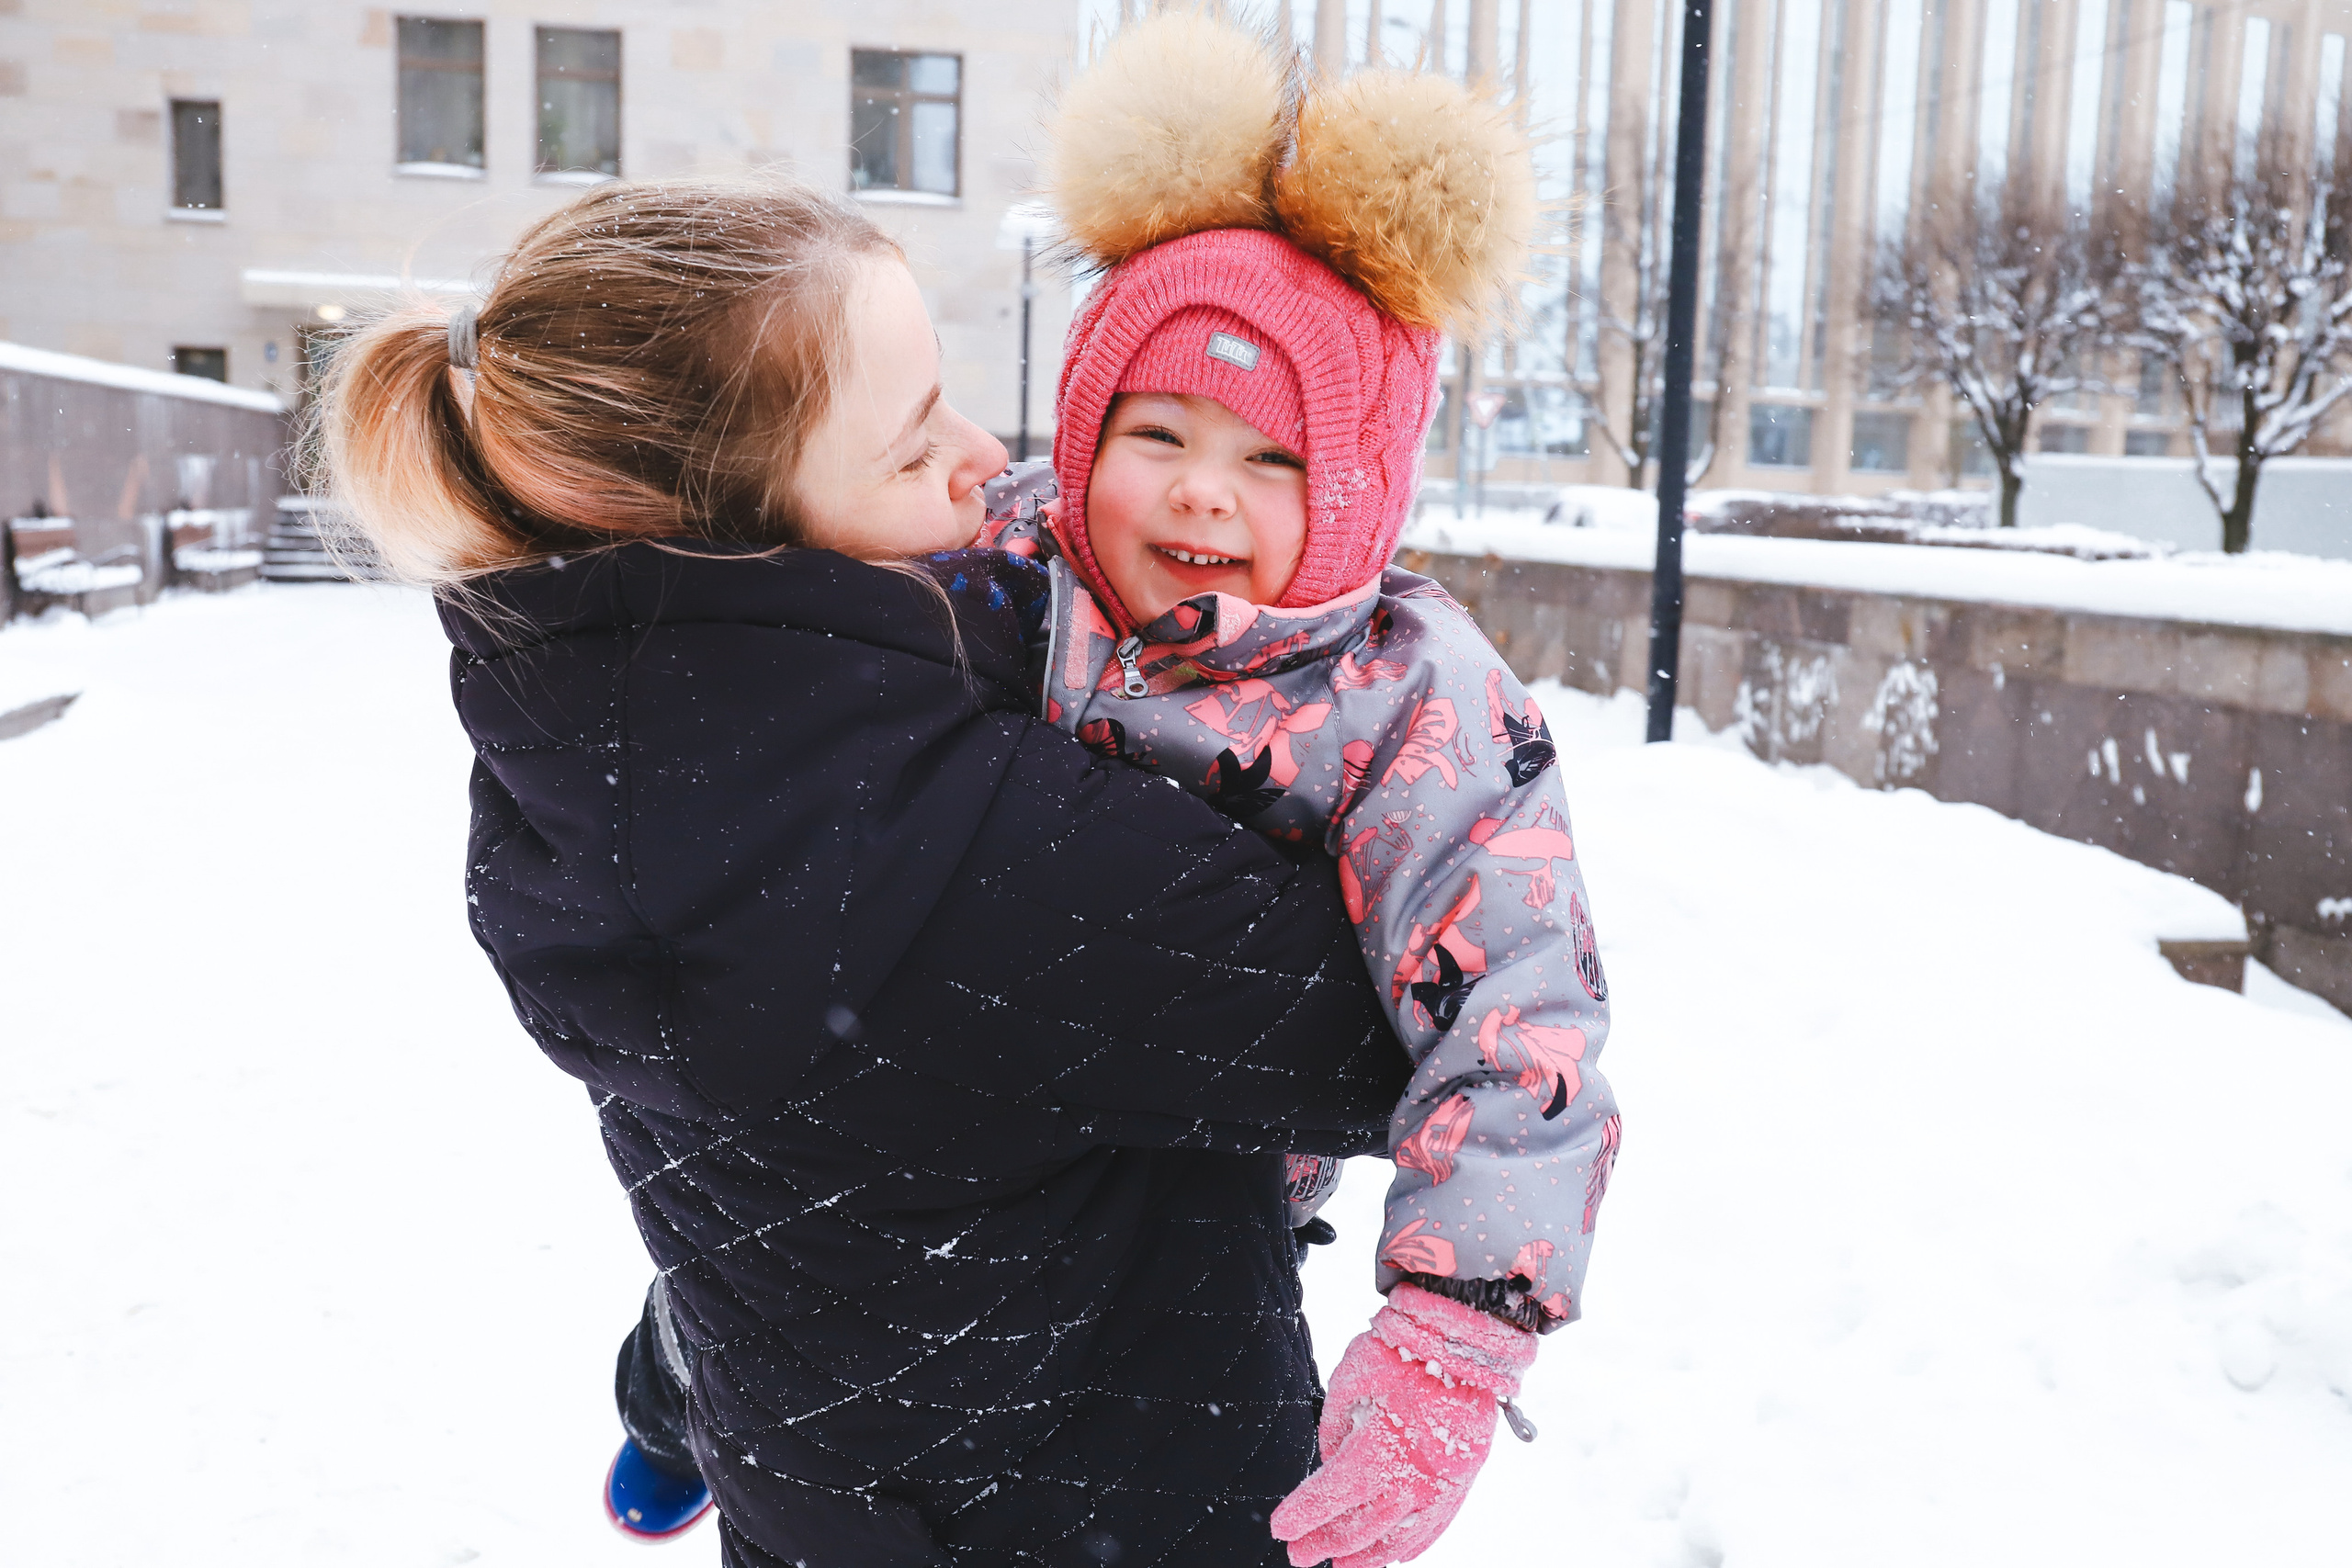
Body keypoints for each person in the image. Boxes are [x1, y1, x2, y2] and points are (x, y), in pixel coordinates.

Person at [315, 174, 1411, 1567]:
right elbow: (1414, 1028)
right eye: (910, 450)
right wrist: (1359, 687)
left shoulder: (576, 742)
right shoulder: (990, 862)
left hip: (818, 1495)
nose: (987, 455)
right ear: (738, 539)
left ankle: (663, 1402)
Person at [983, 18, 1625, 1566]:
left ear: (1354, 489)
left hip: (1204, 1218)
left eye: (1272, 460)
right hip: (932, 1146)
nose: (1201, 487)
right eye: (1155, 433)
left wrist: (1453, 1339)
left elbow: (1519, 1005)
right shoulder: (1002, 574)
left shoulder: (1407, 695)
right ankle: (687, 1369)